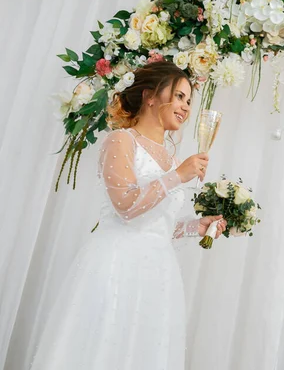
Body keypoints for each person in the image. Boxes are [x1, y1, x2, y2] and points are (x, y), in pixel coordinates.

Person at [31, 61, 226, 370]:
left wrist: (193, 227)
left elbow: (158, 223)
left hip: (159, 273)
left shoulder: (173, 158)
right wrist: (178, 175)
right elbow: (125, 205)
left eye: (188, 100)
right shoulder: (122, 140)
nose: (185, 106)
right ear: (150, 96)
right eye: (178, 96)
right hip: (117, 263)